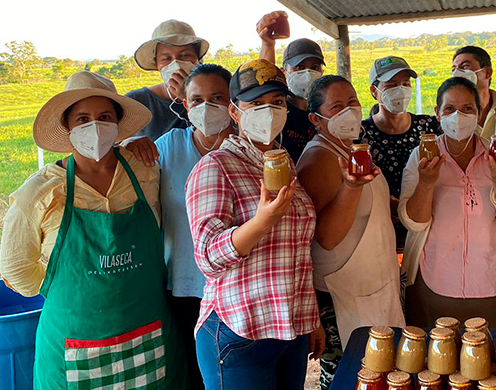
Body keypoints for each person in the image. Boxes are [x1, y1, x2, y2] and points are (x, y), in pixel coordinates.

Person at [0, 71, 188, 389]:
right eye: (83, 119)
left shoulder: (145, 171)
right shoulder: (40, 192)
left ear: (117, 125)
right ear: (68, 128)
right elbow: (17, 270)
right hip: (74, 344)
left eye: (104, 117)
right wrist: (68, 291)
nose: (94, 126)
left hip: (149, 335)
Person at [185, 59, 324, 390]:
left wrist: (311, 318)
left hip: (289, 328)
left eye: (277, 103)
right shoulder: (216, 167)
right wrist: (262, 221)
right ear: (235, 112)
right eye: (257, 103)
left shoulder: (283, 163)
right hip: (239, 331)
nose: (269, 111)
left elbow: (297, 252)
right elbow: (207, 256)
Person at [126, 64, 234, 390]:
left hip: (237, 288)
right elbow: (128, 177)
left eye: (217, 97)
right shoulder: (168, 147)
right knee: (194, 375)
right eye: (197, 100)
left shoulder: (250, 150)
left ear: (233, 103)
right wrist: (130, 144)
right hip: (184, 287)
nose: (206, 107)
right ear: (185, 106)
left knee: (235, 374)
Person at [297, 75, 404, 390]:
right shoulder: (319, 158)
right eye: (337, 106)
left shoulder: (353, 151)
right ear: (317, 119)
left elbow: (371, 204)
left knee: (383, 374)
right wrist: (352, 187)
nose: (349, 111)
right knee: (352, 379)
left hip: (374, 286)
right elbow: (326, 238)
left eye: (353, 103)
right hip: (343, 296)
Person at [399, 77, 496, 326]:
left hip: (494, 280)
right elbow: (413, 223)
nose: (458, 116)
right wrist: (426, 183)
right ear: (437, 114)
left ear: (479, 114)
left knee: (492, 358)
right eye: (449, 109)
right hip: (434, 281)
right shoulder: (422, 156)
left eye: (467, 109)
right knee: (436, 359)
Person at [361, 55, 441, 251]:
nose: (401, 90)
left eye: (406, 83)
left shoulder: (430, 128)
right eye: (391, 85)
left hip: (426, 229)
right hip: (380, 233)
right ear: (374, 91)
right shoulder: (361, 136)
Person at [257, 10, 324, 161]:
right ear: (284, 72)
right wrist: (267, 45)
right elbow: (263, 83)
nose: (308, 73)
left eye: (315, 67)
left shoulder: (324, 111)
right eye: (299, 67)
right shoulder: (278, 110)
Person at [128, 19, 210, 139]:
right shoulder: (136, 102)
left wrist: (188, 97)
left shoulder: (216, 95)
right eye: (166, 58)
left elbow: (216, 134)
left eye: (184, 56)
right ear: (157, 65)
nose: (176, 63)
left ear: (197, 60)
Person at [452, 45, 496, 155]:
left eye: (465, 67)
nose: (457, 73)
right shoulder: (450, 118)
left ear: (488, 73)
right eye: (454, 69)